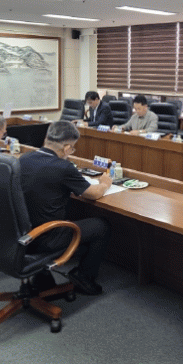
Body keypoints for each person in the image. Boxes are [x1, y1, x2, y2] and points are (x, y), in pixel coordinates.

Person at [19, 121, 112, 296]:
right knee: (102, 226)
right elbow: (93, 194)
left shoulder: (24, 158)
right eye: (72, 148)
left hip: (23, 234)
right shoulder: (63, 167)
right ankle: (84, 277)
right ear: (67, 148)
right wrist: (105, 183)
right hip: (48, 237)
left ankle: (42, 276)